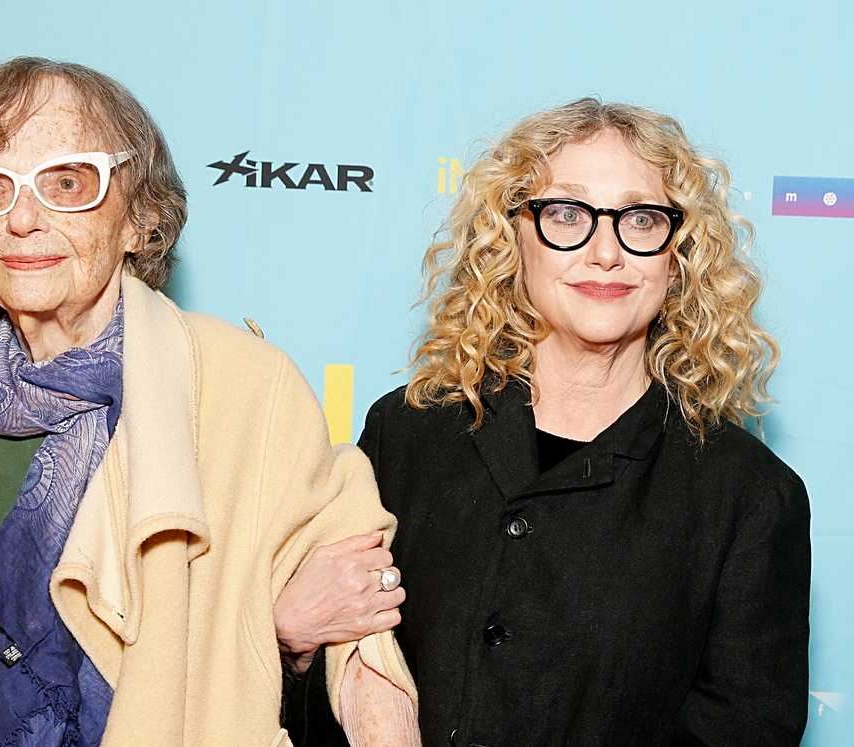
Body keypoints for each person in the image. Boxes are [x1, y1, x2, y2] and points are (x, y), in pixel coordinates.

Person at [0, 57, 418, 746]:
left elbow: (364, 641)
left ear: (139, 217)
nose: (23, 219)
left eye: (68, 182)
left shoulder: (243, 387)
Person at [279, 98, 811, 745]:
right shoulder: (406, 433)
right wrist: (295, 641)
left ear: (678, 254)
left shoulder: (748, 495)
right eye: (567, 213)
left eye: (641, 219)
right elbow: (316, 707)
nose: (605, 251)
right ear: (513, 237)